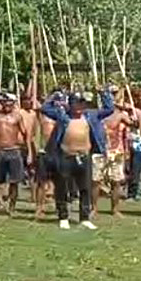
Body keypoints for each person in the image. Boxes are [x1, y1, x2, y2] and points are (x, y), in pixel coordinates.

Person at [41, 87, 115, 230]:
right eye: (77, 103)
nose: (80, 106)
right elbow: (44, 108)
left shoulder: (90, 116)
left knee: (85, 188)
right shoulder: (62, 115)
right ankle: (63, 216)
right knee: (62, 187)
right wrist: (55, 96)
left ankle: (84, 217)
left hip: (84, 157)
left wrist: (103, 93)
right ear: (70, 103)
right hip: (66, 156)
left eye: (82, 103)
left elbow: (109, 109)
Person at [0, 92, 32, 216]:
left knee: (14, 182)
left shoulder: (17, 117)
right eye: (4, 102)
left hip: (14, 150)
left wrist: (29, 152)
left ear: (14, 103)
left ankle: (11, 208)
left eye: (9, 102)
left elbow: (26, 134)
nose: (7, 104)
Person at [91, 91, 132, 218]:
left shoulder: (121, 115)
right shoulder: (97, 114)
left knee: (116, 181)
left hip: (116, 151)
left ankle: (115, 209)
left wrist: (132, 115)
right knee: (96, 181)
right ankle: (94, 208)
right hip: (99, 151)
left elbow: (133, 125)